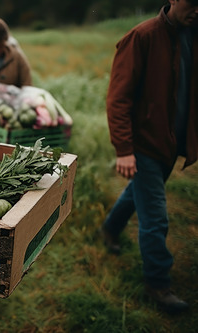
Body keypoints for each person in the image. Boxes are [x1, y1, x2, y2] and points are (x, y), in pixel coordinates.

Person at [101, 0, 197, 315]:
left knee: (138, 193)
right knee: (155, 216)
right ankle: (159, 284)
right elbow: (118, 99)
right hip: (145, 144)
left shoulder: (191, 33)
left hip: (170, 142)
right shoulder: (142, 37)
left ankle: (110, 229)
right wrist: (125, 150)